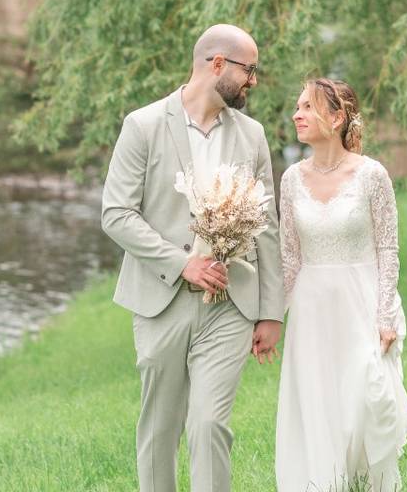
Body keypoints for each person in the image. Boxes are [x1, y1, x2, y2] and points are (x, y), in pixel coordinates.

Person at [102, 24, 284, 492]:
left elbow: (266, 225)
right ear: (217, 64)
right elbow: (116, 214)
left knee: (208, 426)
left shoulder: (253, 135)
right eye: (250, 69)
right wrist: (182, 263)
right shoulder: (142, 126)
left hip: (230, 305)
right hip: (161, 301)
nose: (254, 81)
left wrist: (270, 312)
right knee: (160, 430)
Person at [276, 78, 407, 491]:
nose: (296, 114)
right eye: (297, 106)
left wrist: (385, 315)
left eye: (307, 107)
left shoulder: (372, 174)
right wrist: (270, 317)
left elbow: (388, 248)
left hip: (361, 304)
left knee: (365, 405)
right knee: (319, 410)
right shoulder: (290, 179)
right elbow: (290, 258)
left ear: (336, 117)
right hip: (311, 312)